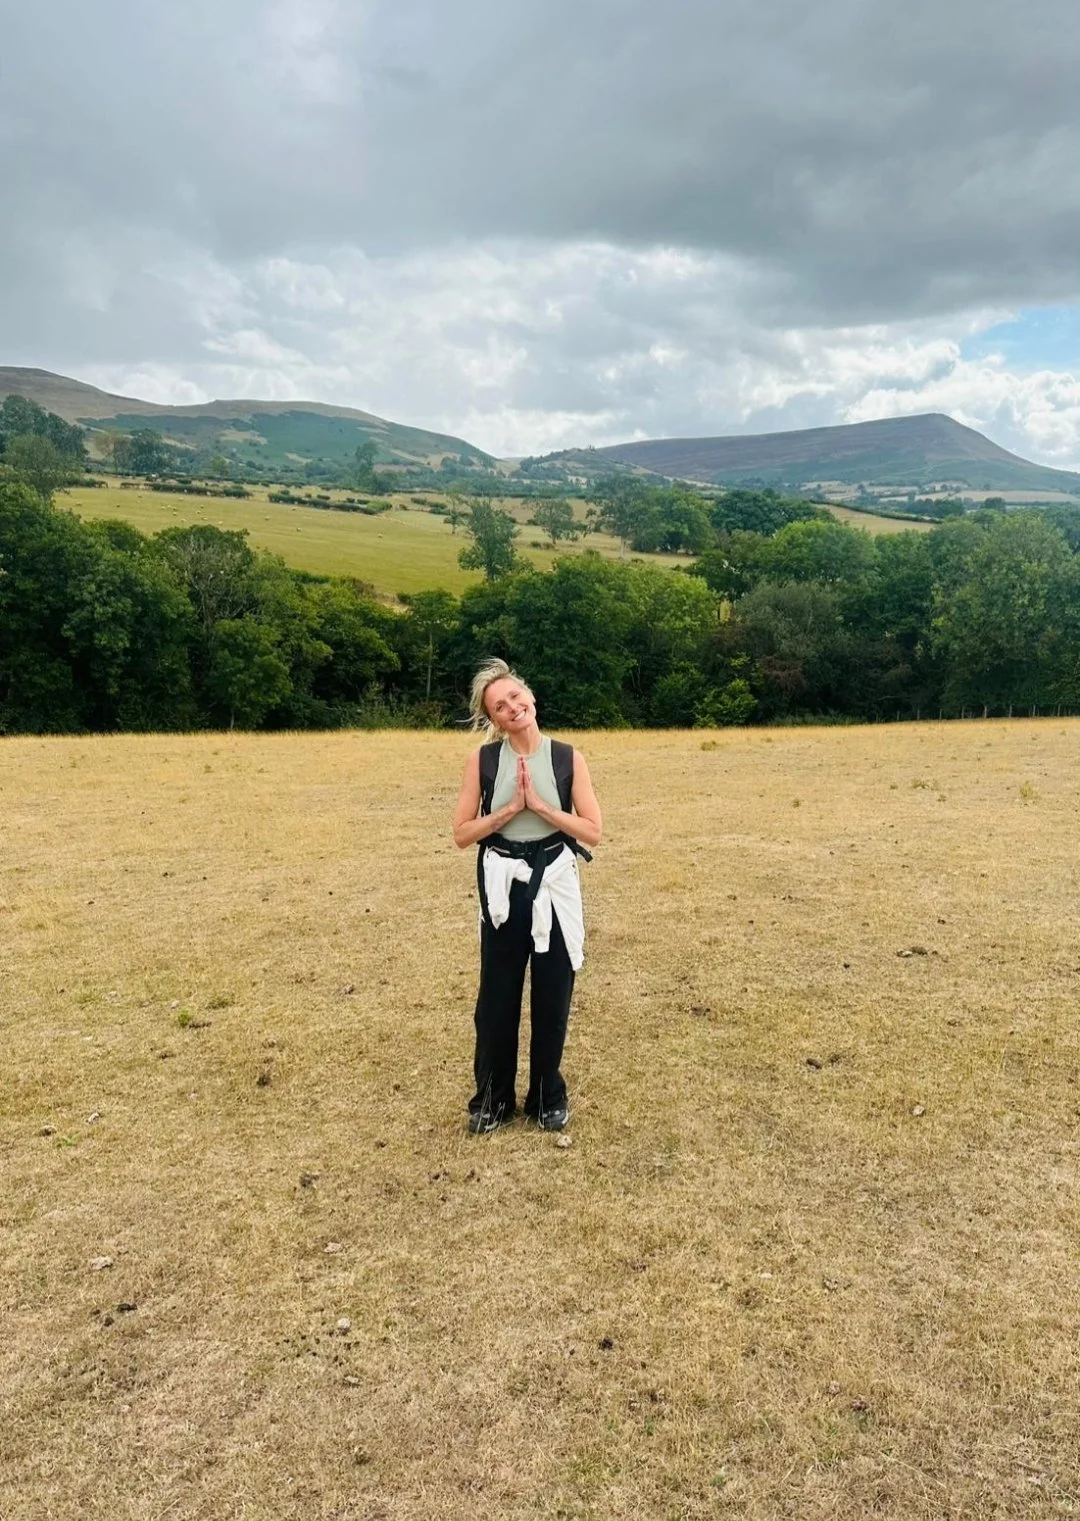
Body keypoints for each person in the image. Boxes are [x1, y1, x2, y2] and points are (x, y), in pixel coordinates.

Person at [452, 659, 602, 1133]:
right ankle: (492, 1101)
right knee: (497, 996)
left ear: (531, 697)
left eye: (516, 697)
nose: (512, 707)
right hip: (502, 882)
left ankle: (546, 1097)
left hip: (554, 880)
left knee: (553, 990)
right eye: (500, 706)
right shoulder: (485, 761)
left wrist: (540, 807)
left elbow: (592, 831)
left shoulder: (566, 758)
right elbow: (461, 833)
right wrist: (508, 811)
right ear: (493, 719)